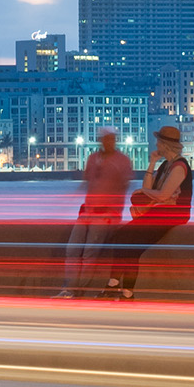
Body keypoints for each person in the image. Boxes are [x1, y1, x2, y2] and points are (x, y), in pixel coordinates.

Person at [100, 125, 193, 300]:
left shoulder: (179, 167)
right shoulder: (166, 165)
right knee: (128, 243)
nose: (156, 143)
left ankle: (115, 285)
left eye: (159, 141)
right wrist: (151, 163)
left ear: (165, 144)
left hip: (173, 213)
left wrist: (143, 193)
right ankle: (125, 291)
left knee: (124, 237)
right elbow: (149, 188)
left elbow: (164, 195)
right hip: (160, 211)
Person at [55, 127, 135, 297]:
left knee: (90, 253)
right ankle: (67, 288)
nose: (108, 142)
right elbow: (88, 183)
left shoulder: (122, 161)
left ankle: (77, 290)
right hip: (87, 211)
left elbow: (125, 186)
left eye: (111, 139)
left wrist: (113, 211)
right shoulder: (92, 158)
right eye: (105, 138)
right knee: (72, 249)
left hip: (106, 215)